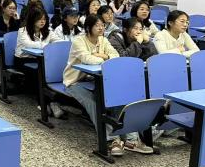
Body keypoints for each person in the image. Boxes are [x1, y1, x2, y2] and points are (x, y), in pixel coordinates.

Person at [63, 15, 151, 156]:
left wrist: (103, 56)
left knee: (121, 98)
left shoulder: (103, 40)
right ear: (88, 28)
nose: (101, 28)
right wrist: (103, 57)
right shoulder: (78, 41)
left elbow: (116, 56)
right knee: (94, 103)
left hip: (98, 80)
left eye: (102, 25)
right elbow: (87, 59)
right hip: (75, 82)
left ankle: (131, 140)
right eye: (97, 25)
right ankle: (112, 139)